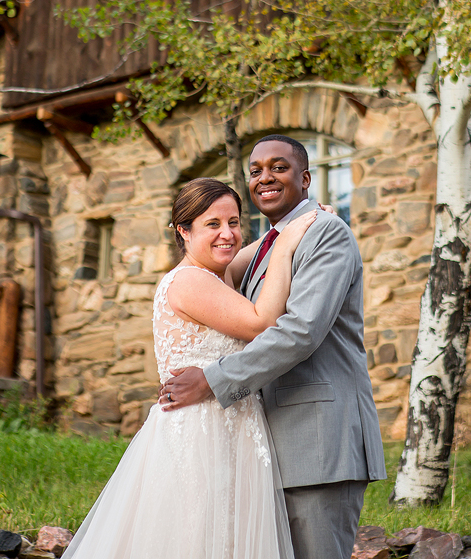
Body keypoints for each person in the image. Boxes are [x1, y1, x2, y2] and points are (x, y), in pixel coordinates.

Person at [62, 176, 317, 559]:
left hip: (233, 427)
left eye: (233, 222)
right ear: (183, 230)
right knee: (196, 537)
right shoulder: (188, 282)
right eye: (212, 225)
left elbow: (257, 247)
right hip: (200, 433)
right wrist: (284, 249)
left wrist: (302, 221)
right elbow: (261, 322)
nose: (227, 234)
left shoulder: (220, 271)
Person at [161, 134, 386, 559]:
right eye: (255, 170)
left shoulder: (326, 234)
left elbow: (300, 331)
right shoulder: (266, 245)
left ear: (304, 178)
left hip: (318, 442)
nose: (265, 177)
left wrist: (213, 380)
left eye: (278, 167)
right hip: (267, 445)